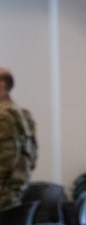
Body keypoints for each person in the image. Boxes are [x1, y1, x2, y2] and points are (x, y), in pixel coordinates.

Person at [0, 67, 38, 211]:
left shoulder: (3, 114)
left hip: (4, 185)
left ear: (2, 86)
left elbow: (7, 153)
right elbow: (33, 152)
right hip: (17, 182)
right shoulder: (22, 114)